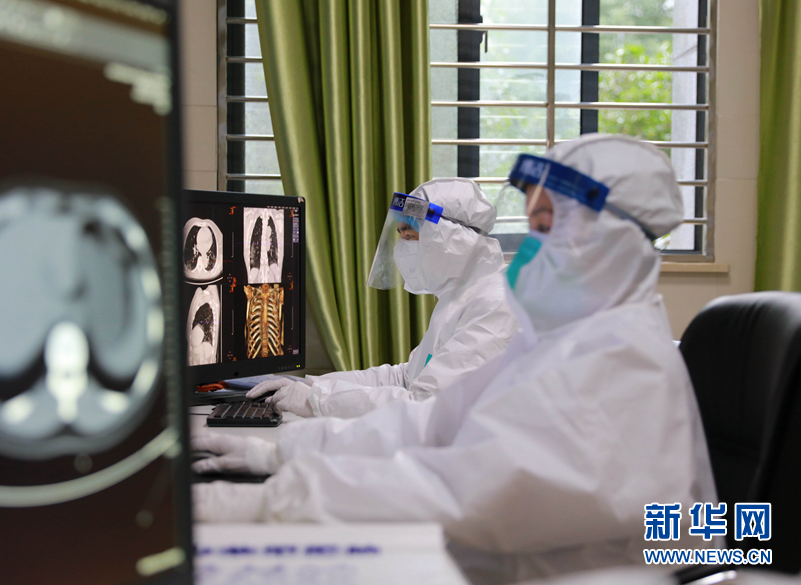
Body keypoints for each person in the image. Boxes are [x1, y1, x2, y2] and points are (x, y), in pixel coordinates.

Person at [194, 135, 716, 584]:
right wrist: (285, 451)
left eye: (548, 226)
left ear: (614, 236)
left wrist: (273, 501)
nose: (532, 248)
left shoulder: (624, 363)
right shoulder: (567, 339)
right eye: (533, 226)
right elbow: (435, 421)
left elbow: (470, 492)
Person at [243, 178, 518, 419]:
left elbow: (425, 403)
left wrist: (316, 401)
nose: (402, 248)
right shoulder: (459, 297)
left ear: (452, 240)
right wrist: (313, 386)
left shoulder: (497, 305)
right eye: (401, 236)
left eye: (410, 236)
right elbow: (405, 377)